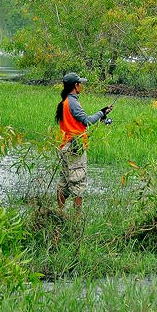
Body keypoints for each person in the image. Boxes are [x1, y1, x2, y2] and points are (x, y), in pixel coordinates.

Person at [54, 72, 113, 213]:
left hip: (65, 145)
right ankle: (77, 220)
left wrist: (102, 112)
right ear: (76, 85)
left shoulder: (65, 102)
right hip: (75, 147)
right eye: (80, 83)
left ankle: (59, 213)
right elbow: (87, 121)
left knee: (64, 182)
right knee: (78, 183)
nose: (82, 85)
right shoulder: (73, 102)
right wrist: (101, 113)